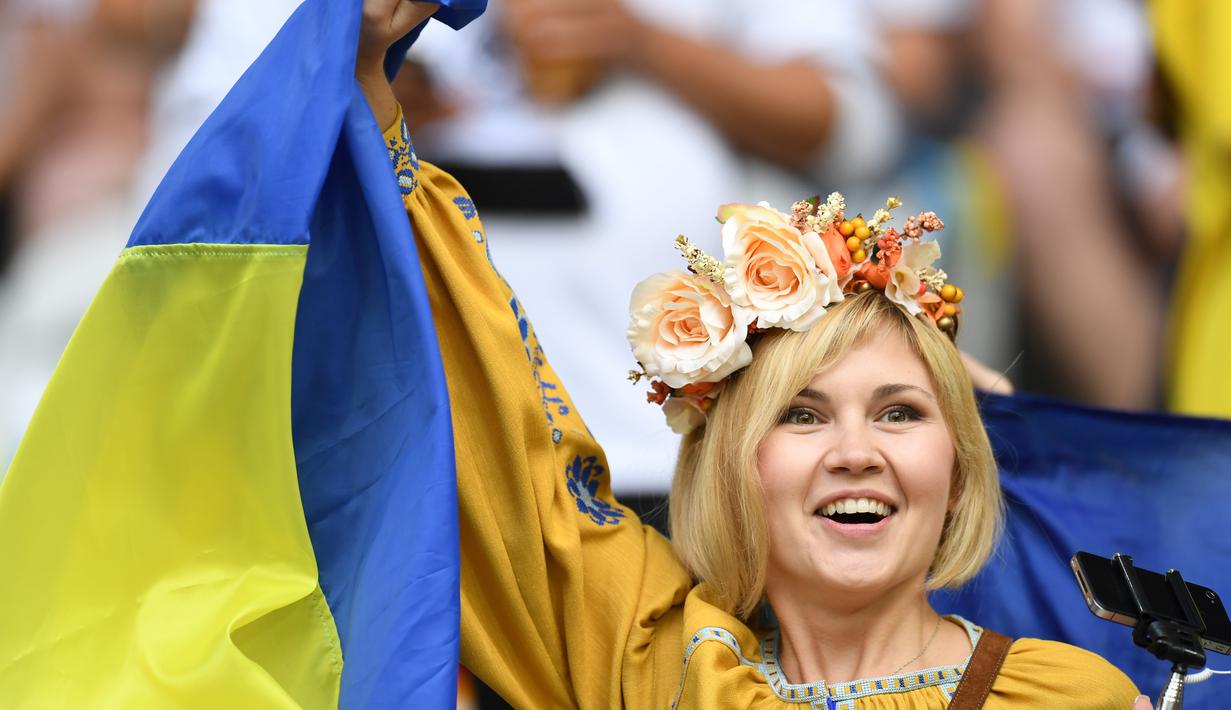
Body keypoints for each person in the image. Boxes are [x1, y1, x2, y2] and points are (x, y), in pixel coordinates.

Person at [359, 1, 1150, 707]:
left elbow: (849, 114)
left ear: (958, 471)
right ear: (729, 464)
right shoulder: (653, 666)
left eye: (899, 413)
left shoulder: (1068, 696)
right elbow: (507, 461)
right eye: (800, 416)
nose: (854, 453)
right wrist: (367, 87)